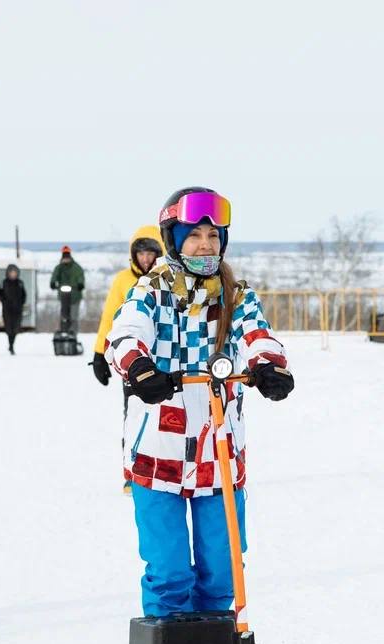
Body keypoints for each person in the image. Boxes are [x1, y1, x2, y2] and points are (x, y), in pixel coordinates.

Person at [104, 187, 294, 616]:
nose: (205, 245)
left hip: (219, 450)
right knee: (169, 572)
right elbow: (127, 331)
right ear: (174, 240)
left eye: (213, 236)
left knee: (223, 570)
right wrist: (138, 367)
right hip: (158, 450)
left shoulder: (236, 296)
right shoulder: (151, 291)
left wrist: (269, 365)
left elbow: (257, 334)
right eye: (194, 236)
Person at [91, 225, 163, 385]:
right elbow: (110, 317)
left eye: (150, 253)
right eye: (141, 253)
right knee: (134, 406)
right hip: (133, 358)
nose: (145, 259)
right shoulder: (122, 279)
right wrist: (99, 353)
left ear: (159, 253)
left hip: (164, 356)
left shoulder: (167, 279)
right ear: (133, 254)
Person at [49, 245, 85, 332]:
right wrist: (53, 283)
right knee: (63, 315)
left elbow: (80, 276)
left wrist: (80, 284)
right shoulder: (59, 268)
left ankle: (74, 333)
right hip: (63, 296)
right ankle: (63, 330)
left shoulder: (76, 268)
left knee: (73, 316)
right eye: (64, 257)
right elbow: (54, 276)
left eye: (67, 257)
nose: (66, 259)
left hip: (75, 295)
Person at [0, 263, 27, 354]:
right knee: (9, 328)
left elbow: (24, 294)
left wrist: (21, 303)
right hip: (7, 309)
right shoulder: (4, 283)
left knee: (16, 328)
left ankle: (12, 345)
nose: (13, 274)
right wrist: (3, 300)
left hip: (17, 309)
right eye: (11, 272)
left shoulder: (20, 283)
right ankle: (10, 345)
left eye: (14, 272)